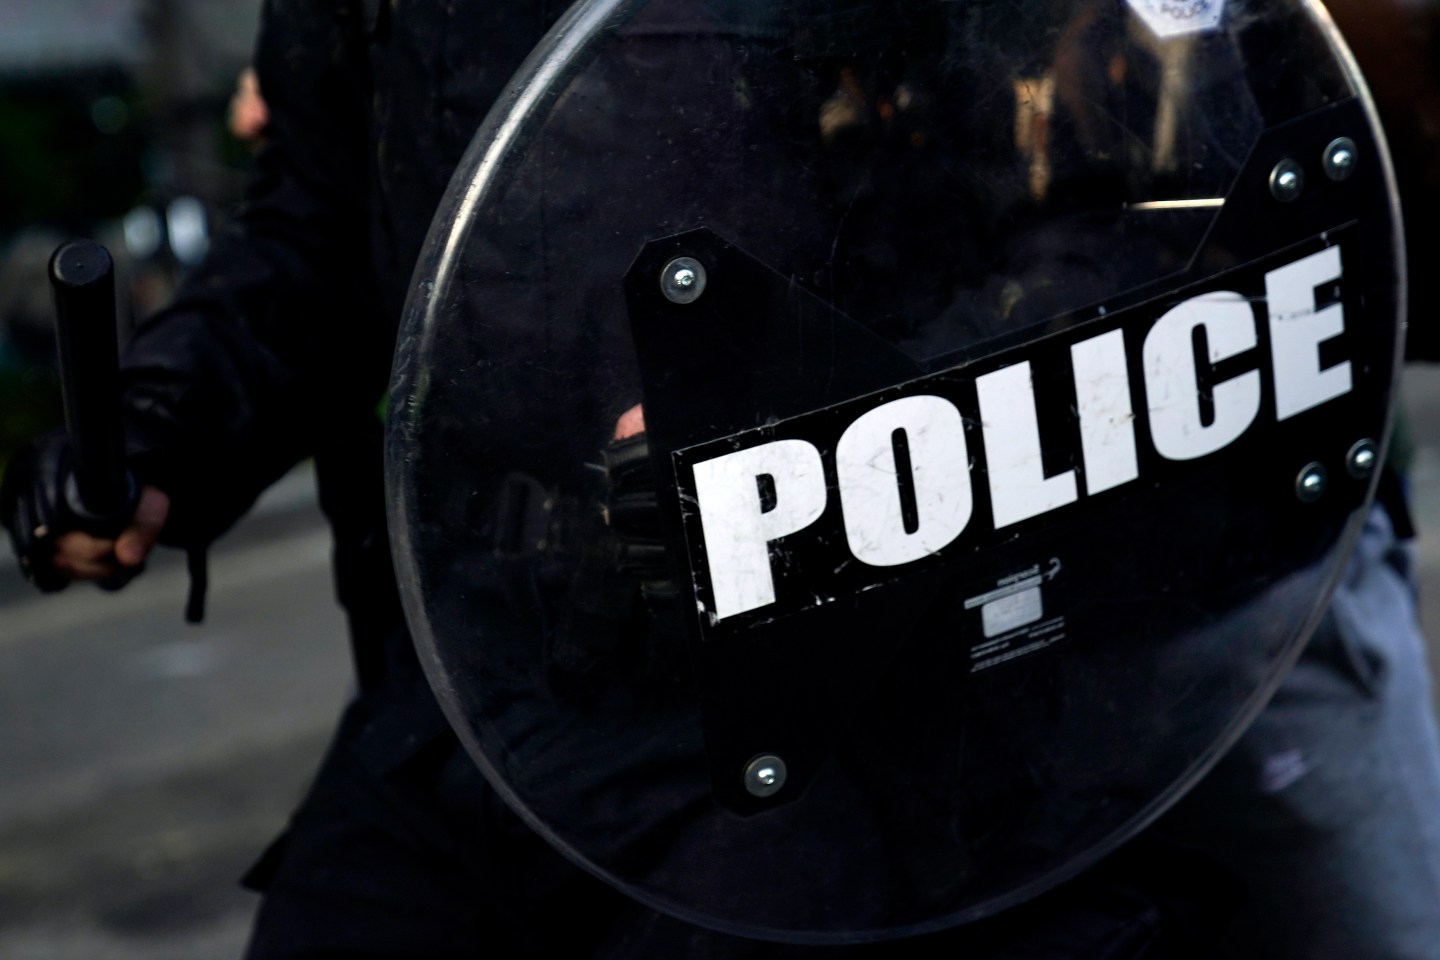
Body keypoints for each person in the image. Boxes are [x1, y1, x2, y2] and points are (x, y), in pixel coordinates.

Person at [3, 1, 1440, 956]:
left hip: (792, 720)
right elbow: (309, 240)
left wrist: (831, 436)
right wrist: (157, 428)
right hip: (455, 694)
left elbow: (1108, 216)